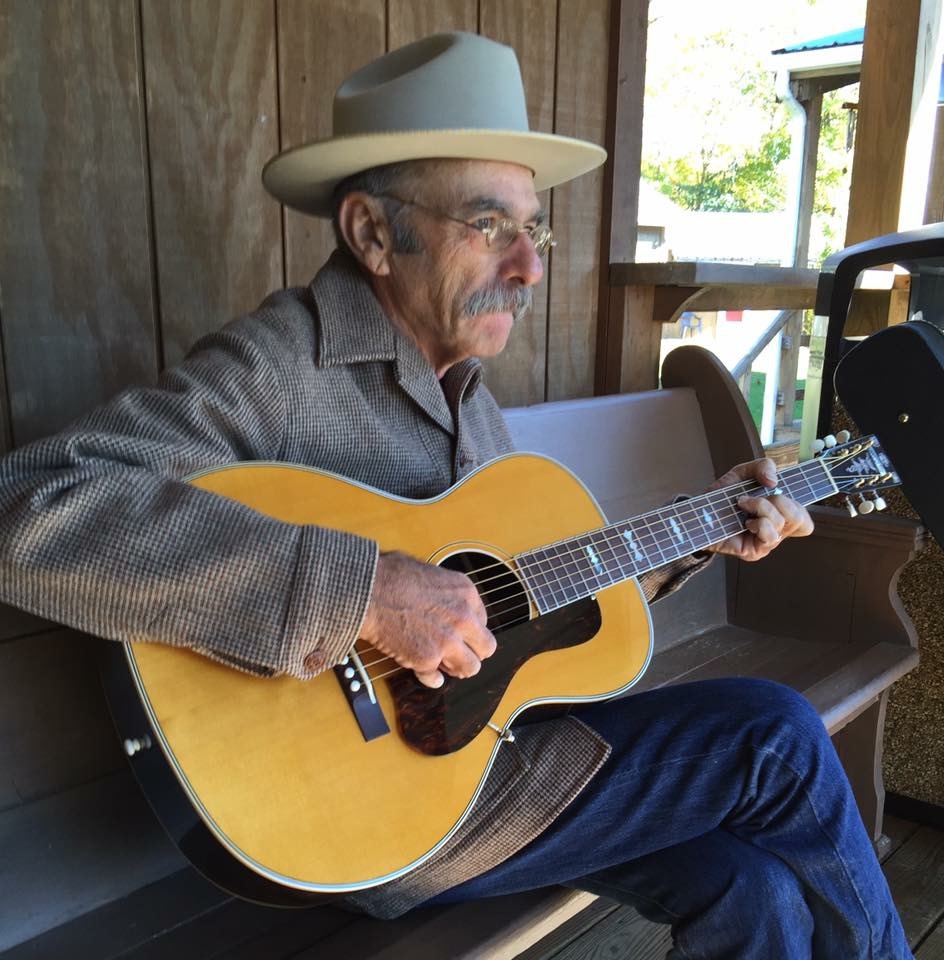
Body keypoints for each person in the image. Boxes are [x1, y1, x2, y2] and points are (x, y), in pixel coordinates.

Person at [0, 31, 911, 959]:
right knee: (772, 737)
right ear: (372, 233)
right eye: (487, 225)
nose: (529, 267)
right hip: (361, 814)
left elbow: (530, 615)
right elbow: (25, 509)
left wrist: (704, 532)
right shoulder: (276, 367)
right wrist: (365, 591)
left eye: (534, 230)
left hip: (499, 767)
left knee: (752, 886)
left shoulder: (466, 397)